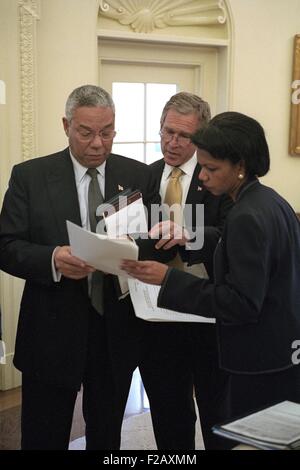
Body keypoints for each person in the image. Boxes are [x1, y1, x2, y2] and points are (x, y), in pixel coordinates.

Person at [0, 84, 172, 450]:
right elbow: (6, 245)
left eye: (107, 132)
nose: (98, 143)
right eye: (87, 132)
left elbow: (152, 245)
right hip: (51, 329)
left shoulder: (139, 176)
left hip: (116, 331)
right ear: (66, 125)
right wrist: (52, 259)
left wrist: (135, 252)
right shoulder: (29, 176)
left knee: (107, 436)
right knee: (44, 435)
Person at [122, 111, 300, 448]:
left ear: (241, 166)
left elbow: (242, 303)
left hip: (255, 361)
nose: (201, 176)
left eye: (211, 168)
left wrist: (167, 280)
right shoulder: (272, 201)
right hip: (281, 354)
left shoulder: (246, 215)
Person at [136, 92, 233, 450]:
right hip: (156, 316)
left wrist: (191, 235)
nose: (171, 143)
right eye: (166, 132)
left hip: (208, 315)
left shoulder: (219, 181)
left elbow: (231, 233)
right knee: (168, 413)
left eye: (183, 136)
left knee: (217, 414)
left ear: (201, 137)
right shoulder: (142, 177)